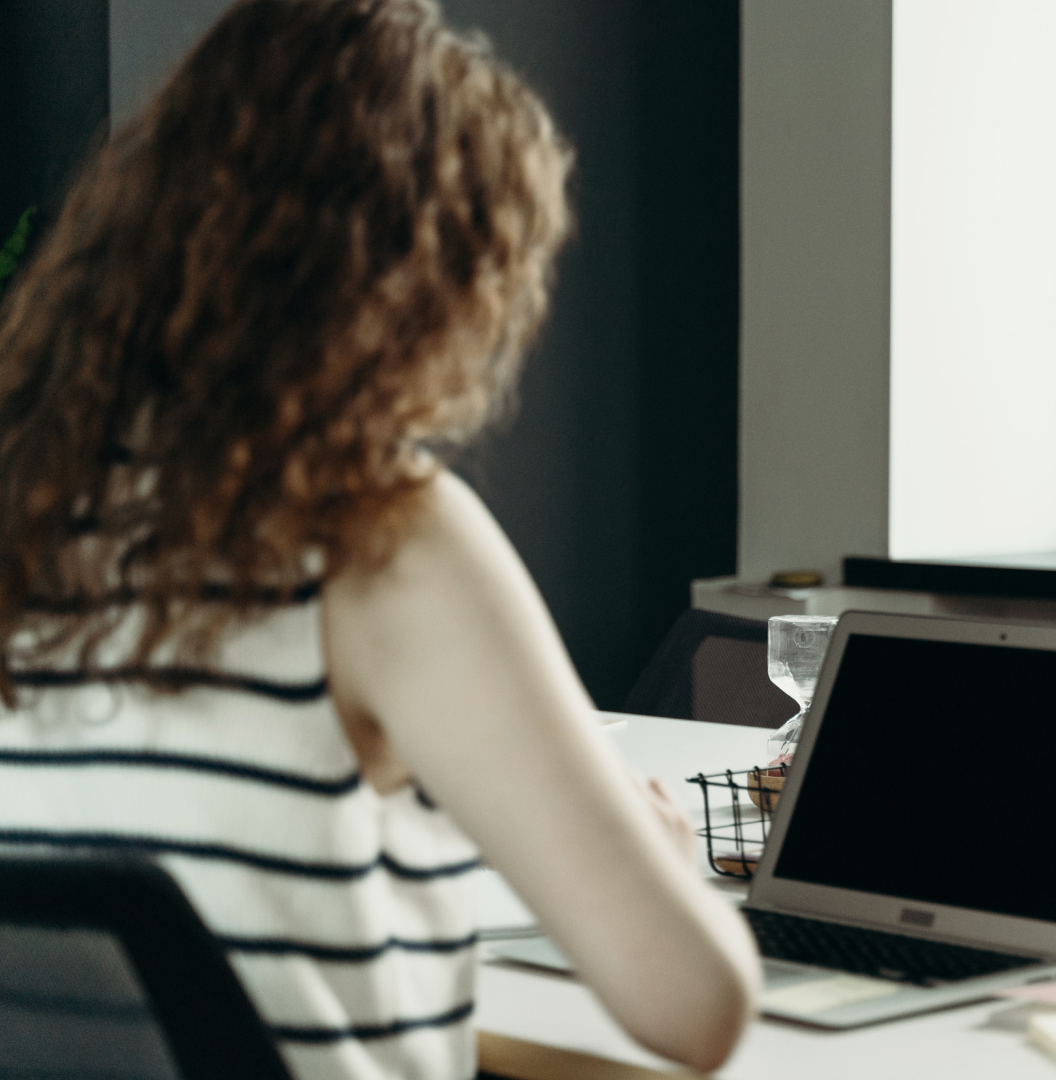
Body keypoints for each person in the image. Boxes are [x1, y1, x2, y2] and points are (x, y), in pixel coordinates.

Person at [0, 2, 758, 1077]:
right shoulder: (374, 537)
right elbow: (697, 1008)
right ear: (419, 287)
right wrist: (661, 864)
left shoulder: (29, 504)